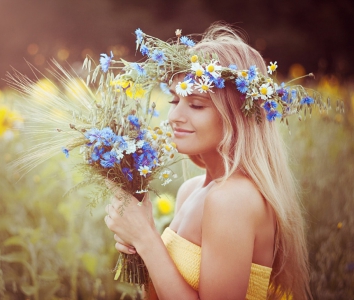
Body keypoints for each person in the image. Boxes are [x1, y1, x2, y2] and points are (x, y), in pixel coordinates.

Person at [104, 23, 312, 300]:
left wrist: (146, 239)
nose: (175, 116)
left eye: (197, 104)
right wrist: (140, 242)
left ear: (238, 115)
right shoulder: (191, 190)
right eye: (174, 100)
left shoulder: (233, 199)